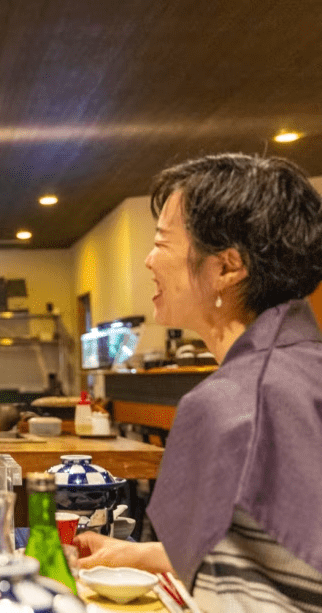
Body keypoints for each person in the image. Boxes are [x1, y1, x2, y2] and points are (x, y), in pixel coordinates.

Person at [75, 153, 322, 611]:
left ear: (227, 268)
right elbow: (280, 553)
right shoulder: (304, 365)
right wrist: (142, 555)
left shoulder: (231, 402)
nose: (149, 260)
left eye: (163, 242)